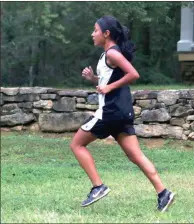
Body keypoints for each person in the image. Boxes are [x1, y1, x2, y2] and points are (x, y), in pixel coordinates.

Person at [70, 15, 175, 212]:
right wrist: (94, 79)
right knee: (136, 156)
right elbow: (106, 82)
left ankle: (98, 186)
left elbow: (133, 74)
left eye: (95, 30)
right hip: (122, 113)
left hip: (110, 113)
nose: (92, 34)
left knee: (76, 144)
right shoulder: (106, 55)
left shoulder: (113, 54)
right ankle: (163, 193)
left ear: (106, 33)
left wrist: (109, 87)